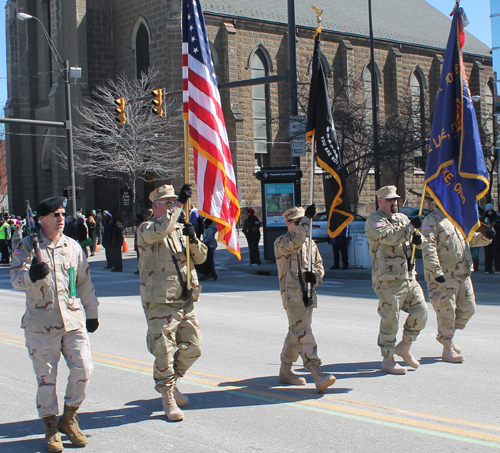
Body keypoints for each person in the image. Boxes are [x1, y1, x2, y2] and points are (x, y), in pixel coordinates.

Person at [10, 197, 99, 453]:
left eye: (63, 214)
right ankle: (51, 428)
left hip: (72, 321)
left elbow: (82, 281)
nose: (62, 218)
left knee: (84, 369)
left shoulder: (72, 247)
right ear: (42, 218)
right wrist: (30, 275)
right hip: (41, 323)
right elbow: (15, 279)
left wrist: (91, 311)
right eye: (56, 214)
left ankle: (69, 418)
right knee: (46, 380)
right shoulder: (26, 246)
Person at [136, 183, 207, 421]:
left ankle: (171, 383)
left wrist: (194, 237)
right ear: (155, 206)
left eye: (174, 202)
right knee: (164, 352)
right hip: (160, 302)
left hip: (185, 299)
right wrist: (177, 208)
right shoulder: (146, 229)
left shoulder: (177, 229)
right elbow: (160, 230)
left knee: (194, 348)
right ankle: (167, 395)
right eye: (167, 203)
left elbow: (201, 257)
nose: (172, 206)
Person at [365, 185, 428, 375]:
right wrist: (410, 228)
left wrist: (419, 239)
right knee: (390, 319)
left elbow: (420, 239)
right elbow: (388, 237)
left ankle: (405, 346)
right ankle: (388, 358)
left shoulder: (402, 218)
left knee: (421, 312)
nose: (395, 202)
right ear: (381, 201)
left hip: (409, 277)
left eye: (396, 199)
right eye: (391, 200)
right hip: (388, 280)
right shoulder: (374, 221)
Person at [274, 204, 336, 392]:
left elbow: (319, 266)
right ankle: (317, 373)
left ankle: (285, 370)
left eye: (303, 221)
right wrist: (307, 221)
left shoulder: (311, 244)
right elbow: (296, 242)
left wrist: (315, 277)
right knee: (303, 331)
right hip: (292, 297)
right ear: (288, 223)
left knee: (296, 333)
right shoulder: (281, 242)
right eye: (297, 222)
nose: (302, 225)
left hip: (308, 295)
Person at [421, 204, 494, 362]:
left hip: (463, 274)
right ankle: (447, 349)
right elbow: (428, 248)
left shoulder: (457, 220)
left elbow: (470, 239)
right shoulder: (431, 221)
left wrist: (487, 236)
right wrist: (435, 272)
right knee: (447, 312)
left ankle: (446, 336)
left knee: (469, 308)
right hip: (444, 276)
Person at [481, 203, 500, 275]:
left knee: (496, 254)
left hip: (496, 238)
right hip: (486, 238)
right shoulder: (483, 218)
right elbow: (481, 227)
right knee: (488, 254)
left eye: (491, 210)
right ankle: (488, 270)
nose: (490, 212)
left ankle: (497, 269)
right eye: (488, 211)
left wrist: (495, 225)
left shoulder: (497, 218)